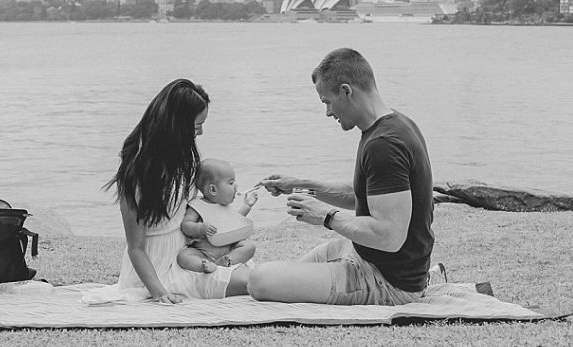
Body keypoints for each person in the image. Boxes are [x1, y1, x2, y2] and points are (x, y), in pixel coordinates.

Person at [248, 48, 441, 305]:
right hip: (363, 255)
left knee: (260, 280)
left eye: (327, 102)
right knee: (277, 276)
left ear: (346, 91)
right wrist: (300, 186)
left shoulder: (385, 144)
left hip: (387, 281)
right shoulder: (393, 124)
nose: (328, 113)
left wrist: (326, 216)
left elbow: (390, 236)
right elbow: (364, 195)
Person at [99, 79, 250, 304]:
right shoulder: (138, 172)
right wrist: (159, 291)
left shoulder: (182, 161)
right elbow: (136, 248)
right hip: (159, 269)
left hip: (190, 253)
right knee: (253, 283)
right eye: (197, 125)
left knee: (255, 274)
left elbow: (198, 206)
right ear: (176, 124)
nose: (200, 132)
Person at [177, 158, 258, 273]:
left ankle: (228, 260)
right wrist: (201, 228)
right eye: (231, 183)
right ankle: (204, 265)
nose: (236, 186)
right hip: (203, 252)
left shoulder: (225, 206)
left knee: (249, 246)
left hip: (228, 249)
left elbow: (236, 220)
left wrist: (247, 205)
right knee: (184, 256)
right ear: (213, 190)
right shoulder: (197, 206)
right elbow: (186, 225)